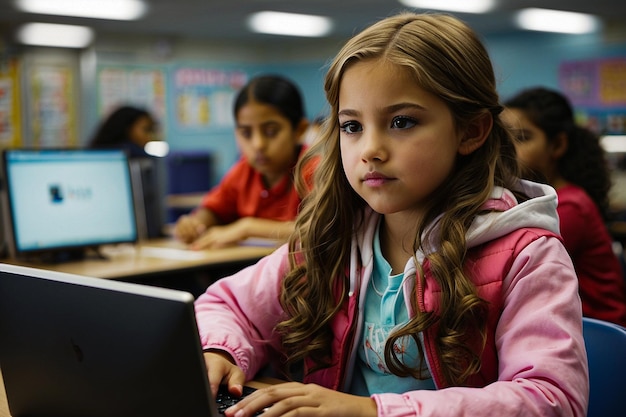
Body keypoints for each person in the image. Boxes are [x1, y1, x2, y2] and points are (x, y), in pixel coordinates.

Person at [195, 12, 589, 417]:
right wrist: (219, 350)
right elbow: (225, 306)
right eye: (352, 126)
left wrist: (373, 411)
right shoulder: (335, 240)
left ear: (471, 131)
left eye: (402, 122)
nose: (370, 149)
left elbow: (551, 400)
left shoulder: (528, 255)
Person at [502, 87, 626, 326]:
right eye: (503, 139)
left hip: (596, 337)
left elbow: (508, 263)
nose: (506, 150)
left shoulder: (569, 207)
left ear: (557, 145)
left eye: (522, 138)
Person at [173, 74, 310, 249]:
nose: (258, 144)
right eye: (246, 133)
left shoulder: (315, 169)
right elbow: (214, 211)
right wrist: (195, 224)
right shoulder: (243, 171)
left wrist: (248, 228)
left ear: (299, 130)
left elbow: (324, 229)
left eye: (271, 131)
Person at [87, 105, 158, 158]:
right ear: (127, 129)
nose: (149, 136)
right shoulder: (132, 153)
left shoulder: (94, 153)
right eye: (146, 129)